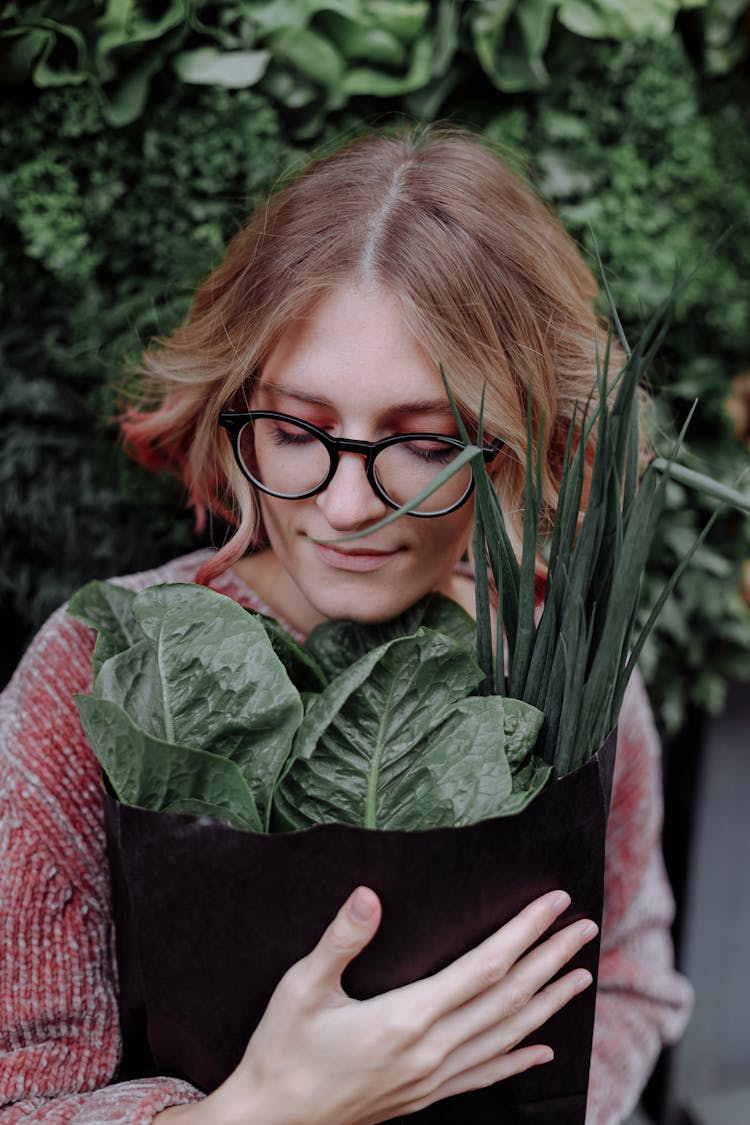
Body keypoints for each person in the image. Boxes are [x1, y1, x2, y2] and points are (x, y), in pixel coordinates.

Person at [0, 124, 691, 1125]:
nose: (348, 506)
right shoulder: (94, 666)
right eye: (293, 431)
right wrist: (268, 1109)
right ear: (233, 407)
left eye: (421, 443)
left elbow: (627, 977)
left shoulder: (566, 668)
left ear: (515, 443)